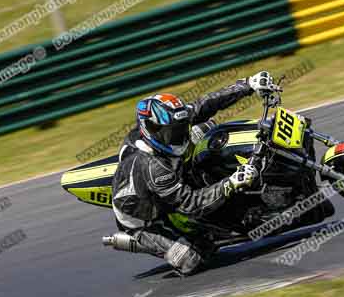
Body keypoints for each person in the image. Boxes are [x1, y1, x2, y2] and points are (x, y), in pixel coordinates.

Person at [103, 71, 281, 275]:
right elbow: (191, 204)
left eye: (179, 129)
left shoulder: (167, 125)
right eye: (172, 133)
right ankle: (135, 240)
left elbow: (205, 105)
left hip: (167, 176)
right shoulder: (152, 166)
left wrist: (248, 84)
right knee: (191, 258)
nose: (179, 137)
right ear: (151, 129)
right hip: (146, 217)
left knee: (209, 129)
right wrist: (231, 183)